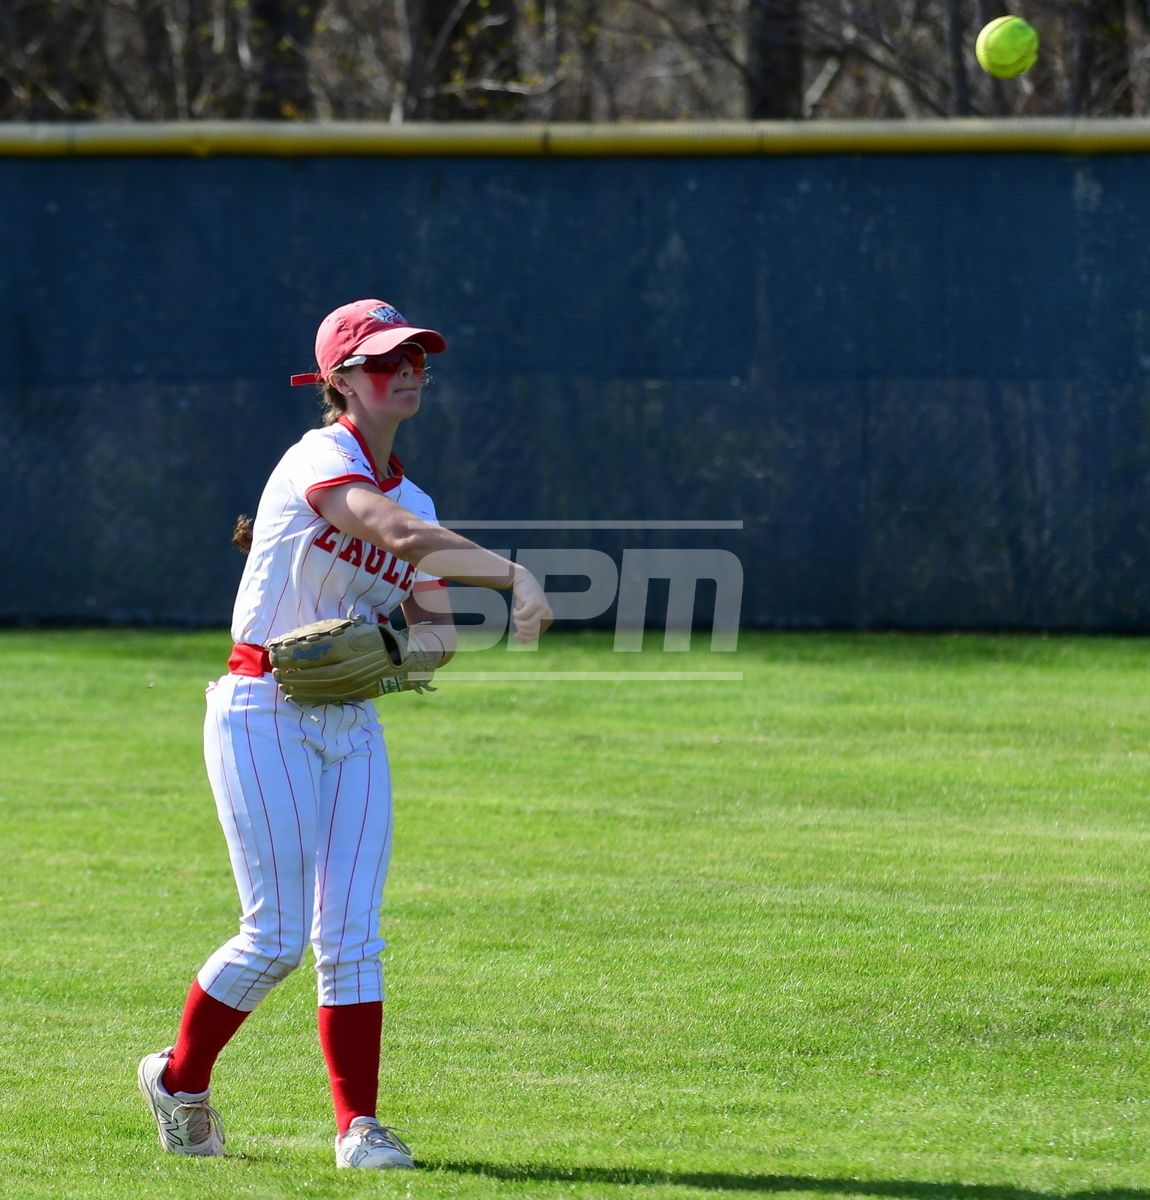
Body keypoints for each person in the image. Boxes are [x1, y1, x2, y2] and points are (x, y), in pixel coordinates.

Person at [138, 299, 552, 1169]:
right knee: (276, 937)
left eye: (416, 358)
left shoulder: (419, 497)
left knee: (354, 935)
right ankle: (178, 1080)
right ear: (340, 382)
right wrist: (512, 576)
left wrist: (391, 652)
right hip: (261, 707)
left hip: (351, 719)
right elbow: (394, 534)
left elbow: (436, 632)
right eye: (385, 360)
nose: (407, 371)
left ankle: (358, 1128)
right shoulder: (318, 457)